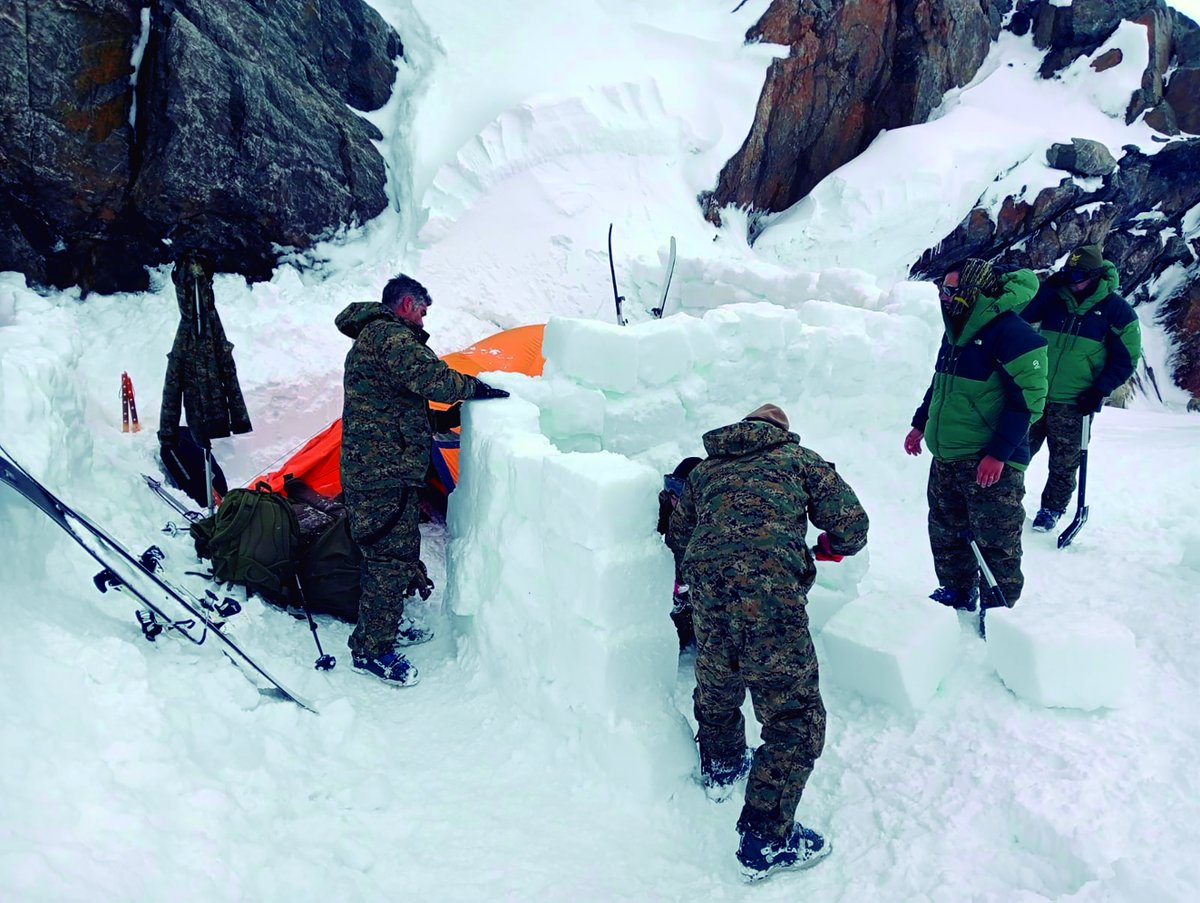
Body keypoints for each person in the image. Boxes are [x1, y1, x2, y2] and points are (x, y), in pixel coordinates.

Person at [666, 404, 868, 882]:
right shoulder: (799, 460)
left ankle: (722, 765)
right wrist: (829, 548)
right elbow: (852, 525)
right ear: (780, 432)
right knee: (795, 718)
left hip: (709, 595)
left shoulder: (705, 471)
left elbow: (678, 536)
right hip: (771, 598)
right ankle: (766, 841)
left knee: (719, 684)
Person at [336, 274, 509, 685]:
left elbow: (394, 402)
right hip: (381, 473)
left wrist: (434, 419)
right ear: (406, 304)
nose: (425, 316)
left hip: (382, 468)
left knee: (391, 554)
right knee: (389, 559)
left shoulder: (375, 337)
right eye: (423, 309)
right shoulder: (389, 337)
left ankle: (383, 626)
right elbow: (433, 379)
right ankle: (371, 649)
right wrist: (479, 389)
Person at [905, 259, 1047, 611]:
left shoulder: (1015, 335)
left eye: (952, 290)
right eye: (943, 289)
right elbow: (941, 383)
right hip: (949, 455)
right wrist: (921, 422)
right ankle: (956, 589)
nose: (944, 296)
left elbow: (1028, 403)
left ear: (973, 290)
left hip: (989, 460)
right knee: (945, 529)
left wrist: (998, 454)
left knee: (996, 540)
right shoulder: (956, 328)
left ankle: (999, 609)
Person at [1019, 245, 1142, 532]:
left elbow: (1126, 360)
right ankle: (1007, 501)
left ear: (1096, 275)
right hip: (1035, 393)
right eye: (1068, 274)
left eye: (1080, 275)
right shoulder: (1055, 298)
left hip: (1075, 402)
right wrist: (1048, 288)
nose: (1073, 281)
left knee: (1064, 462)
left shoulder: (1117, 312)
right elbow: (1022, 314)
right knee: (1015, 451)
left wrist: (1100, 390)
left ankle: (1051, 508)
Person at [656, 456, 703, 651]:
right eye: (671, 486)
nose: (674, 495)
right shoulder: (665, 503)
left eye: (681, 489)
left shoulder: (708, 517)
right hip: (672, 589)